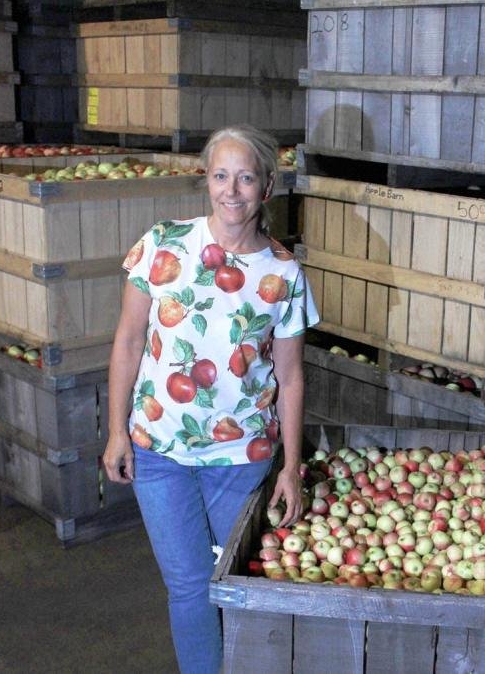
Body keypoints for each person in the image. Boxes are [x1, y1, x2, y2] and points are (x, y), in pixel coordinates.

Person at [103, 124, 319, 673]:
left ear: (267, 187)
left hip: (241, 457)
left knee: (236, 583)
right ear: (207, 180)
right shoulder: (162, 245)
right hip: (158, 448)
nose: (232, 190)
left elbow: (291, 378)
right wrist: (115, 431)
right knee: (188, 586)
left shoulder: (283, 273)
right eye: (221, 175)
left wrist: (292, 467)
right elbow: (128, 342)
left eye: (246, 177)